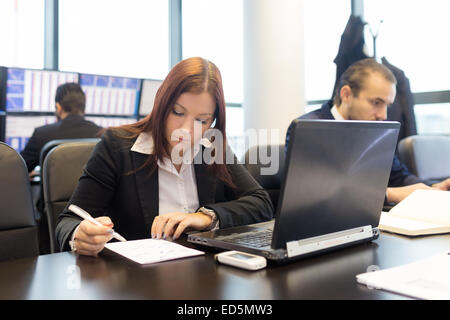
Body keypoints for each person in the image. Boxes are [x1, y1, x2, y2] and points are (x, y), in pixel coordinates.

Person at [56, 57, 274, 256]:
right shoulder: (117, 147)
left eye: (202, 120)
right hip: (136, 282)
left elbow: (261, 203)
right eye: (178, 113)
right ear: (162, 103)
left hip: (204, 277)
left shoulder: (212, 148)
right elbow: (69, 221)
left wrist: (205, 217)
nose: (187, 130)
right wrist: (80, 234)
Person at [286, 58, 450, 204]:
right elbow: (315, 193)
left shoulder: (376, 131)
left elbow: (399, 176)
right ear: (347, 94)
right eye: (376, 102)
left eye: (387, 105)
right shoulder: (307, 129)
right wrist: (389, 194)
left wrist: (434, 188)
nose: (383, 115)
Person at [20, 82, 102, 172]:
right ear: (83, 108)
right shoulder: (102, 134)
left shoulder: (41, 134)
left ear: (58, 107)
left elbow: (19, 169)